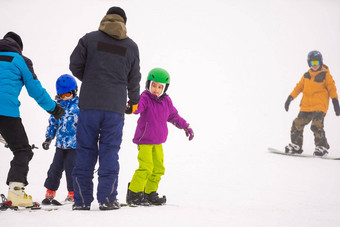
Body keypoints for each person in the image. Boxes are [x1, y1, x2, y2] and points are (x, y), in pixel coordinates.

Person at [69, 6, 141, 210]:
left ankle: (81, 201)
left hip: (89, 105)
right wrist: (133, 102)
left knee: (85, 151)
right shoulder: (131, 47)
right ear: (124, 22)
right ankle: (108, 199)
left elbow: (74, 65)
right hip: (114, 108)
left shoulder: (89, 39)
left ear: (105, 19)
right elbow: (134, 79)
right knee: (110, 152)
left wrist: (91, 79)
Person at [0, 32, 64, 207]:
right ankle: (16, 192)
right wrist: (54, 108)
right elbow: (35, 90)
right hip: (5, 111)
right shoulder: (21, 60)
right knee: (23, 151)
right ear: (19, 47)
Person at [126, 68, 194, 206]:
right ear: (148, 84)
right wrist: (131, 107)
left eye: (160, 87)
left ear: (164, 88)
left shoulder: (166, 101)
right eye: (154, 85)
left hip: (158, 141)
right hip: (145, 140)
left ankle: (150, 193)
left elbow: (174, 116)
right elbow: (138, 107)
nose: (156, 89)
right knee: (146, 167)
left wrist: (185, 126)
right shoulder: (145, 97)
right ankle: (134, 193)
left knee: (158, 168)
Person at [284, 50, 340, 157]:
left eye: (317, 63)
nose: (314, 66)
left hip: (319, 106)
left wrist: (335, 101)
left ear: (321, 62)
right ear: (308, 63)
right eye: (312, 63)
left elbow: (332, 88)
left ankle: (322, 146)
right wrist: (290, 98)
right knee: (297, 123)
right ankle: (296, 145)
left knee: (316, 125)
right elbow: (298, 87)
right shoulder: (306, 75)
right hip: (306, 107)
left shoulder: (326, 75)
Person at [41, 74, 79, 205]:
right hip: (60, 145)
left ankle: (73, 193)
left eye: (68, 94)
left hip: (74, 146)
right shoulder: (57, 107)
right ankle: (50, 191)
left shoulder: (80, 106)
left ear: (75, 91)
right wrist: (48, 138)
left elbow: (86, 125)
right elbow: (53, 123)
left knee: (71, 168)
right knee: (55, 168)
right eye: (63, 95)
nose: (66, 97)